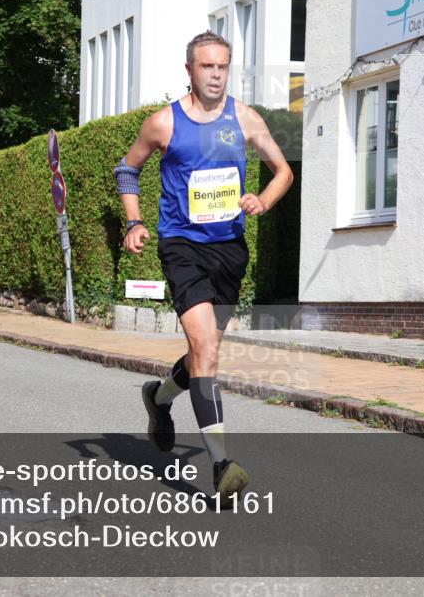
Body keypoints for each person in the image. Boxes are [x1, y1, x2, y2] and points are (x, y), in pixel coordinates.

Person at [113, 31, 293, 498]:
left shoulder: (245, 117)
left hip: (229, 249)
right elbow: (127, 169)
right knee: (206, 350)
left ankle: (158, 397)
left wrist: (263, 200)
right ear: (190, 70)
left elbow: (283, 171)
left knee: (203, 351)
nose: (215, 74)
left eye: (222, 66)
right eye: (207, 66)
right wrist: (133, 222)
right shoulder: (164, 123)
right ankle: (221, 465)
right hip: (181, 246)